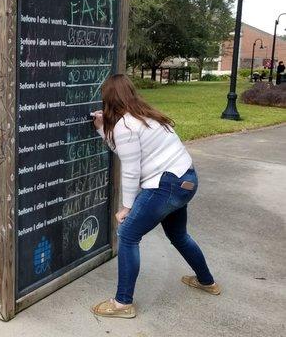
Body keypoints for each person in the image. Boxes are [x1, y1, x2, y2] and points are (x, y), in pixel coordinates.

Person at [90, 74, 220, 319]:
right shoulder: (148, 116)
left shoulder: (126, 125)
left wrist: (127, 206)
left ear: (109, 99)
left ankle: (122, 303)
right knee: (179, 235)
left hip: (165, 185)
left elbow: (130, 169)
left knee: (127, 235)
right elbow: (129, 151)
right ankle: (206, 281)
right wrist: (102, 131)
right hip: (186, 180)